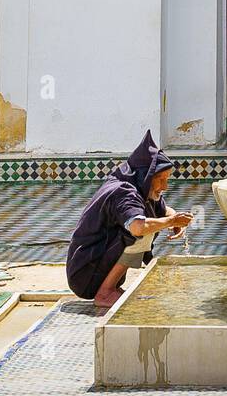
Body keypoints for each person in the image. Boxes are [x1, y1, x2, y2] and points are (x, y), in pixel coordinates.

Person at [66, 130, 193, 309]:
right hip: (85, 273)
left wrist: (172, 217)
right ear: (146, 176)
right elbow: (138, 227)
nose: (165, 186)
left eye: (167, 179)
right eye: (160, 179)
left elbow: (163, 210)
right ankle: (105, 293)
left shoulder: (139, 185)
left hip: (93, 267)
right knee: (142, 232)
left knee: (149, 223)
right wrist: (171, 222)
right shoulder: (124, 192)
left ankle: (109, 288)